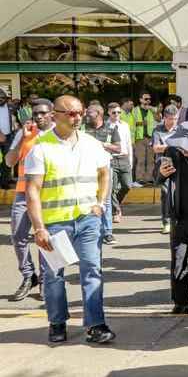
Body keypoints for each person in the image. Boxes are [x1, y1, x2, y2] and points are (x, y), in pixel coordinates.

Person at [25, 95, 114, 344]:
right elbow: (32, 190)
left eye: (80, 113)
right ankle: (57, 322)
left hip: (87, 219)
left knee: (92, 271)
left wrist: (100, 204)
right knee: (54, 275)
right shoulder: (41, 147)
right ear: (55, 115)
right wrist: (39, 228)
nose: (77, 118)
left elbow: (104, 173)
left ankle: (96, 325)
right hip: (55, 223)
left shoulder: (91, 144)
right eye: (71, 113)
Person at [156, 120, 188, 315]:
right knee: (178, 258)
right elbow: (157, 178)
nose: (185, 150)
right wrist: (161, 174)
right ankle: (181, 302)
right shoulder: (171, 152)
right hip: (180, 215)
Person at [7, 98, 53, 301]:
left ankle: (44, 279)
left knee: (44, 237)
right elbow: (9, 161)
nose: (39, 117)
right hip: (23, 192)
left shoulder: (58, 134)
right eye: (36, 114)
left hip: (48, 193)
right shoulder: (25, 132)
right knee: (18, 235)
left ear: (52, 114)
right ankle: (28, 276)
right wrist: (23, 140)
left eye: (43, 113)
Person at [84, 104, 122, 245]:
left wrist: (102, 144)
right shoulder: (82, 128)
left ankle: (107, 232)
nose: (87, 115)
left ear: (99, 114)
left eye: (90, 112)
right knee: (87, 198)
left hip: (105, 168)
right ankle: (90, 230)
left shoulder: (111, 129)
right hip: (85, 167)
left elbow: (118, 148)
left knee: (105, 199)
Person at [151, 105, 179, 235]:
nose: (173, 121)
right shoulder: (158, 130)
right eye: (170, 119)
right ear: (165, 118)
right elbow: (156, 148)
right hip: (163, 163)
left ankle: (176, 219)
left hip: (178, 164)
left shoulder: (180, 129)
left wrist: (166, 146)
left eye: (175, 119)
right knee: (166, 192)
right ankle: (166, 222)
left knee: (177, 192)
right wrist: (173, 146)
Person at [105, 103, 133, 223]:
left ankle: (116, 204)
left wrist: (130, 160)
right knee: (112, 188)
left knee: (127, 185)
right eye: (114, 112)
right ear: (108, 113)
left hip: (124, 158)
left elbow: (128, 143)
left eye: (118, 112)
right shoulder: (105, 126)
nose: (116, 114)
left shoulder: (125, 125)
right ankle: (116, 211)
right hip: (112, 158)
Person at [130, 92, 157, 184]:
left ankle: (149, 178)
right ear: (140, 100)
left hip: (150, 138)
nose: (148, 101)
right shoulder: (135, 110)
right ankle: (140, 178)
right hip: (139, 138)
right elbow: (132, 124)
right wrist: (132, 140)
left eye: (149, 99)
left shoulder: (151, 110)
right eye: (146, 99)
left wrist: (155, 111)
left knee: (150, 159)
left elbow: (158, 119)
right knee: (141, 159)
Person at [0, 89, 19, 188]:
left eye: (2, 98)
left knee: (7, 159)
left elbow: (15, 118)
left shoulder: (10, 107)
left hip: (8, 136)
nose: (0, 99)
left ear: (6, 99)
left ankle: (6, 179)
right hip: (1, 135)